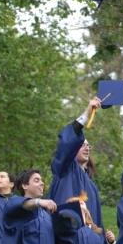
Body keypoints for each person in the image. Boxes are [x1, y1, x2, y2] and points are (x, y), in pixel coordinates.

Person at [49, 96, 104, 227]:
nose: (86, 147)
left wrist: (108, 242)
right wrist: (87, 113)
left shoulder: (92, 187)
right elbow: (66, 142)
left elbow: (98, 224)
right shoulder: (65, 169)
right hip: (67, 239)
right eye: (82, 144)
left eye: (88, 145)